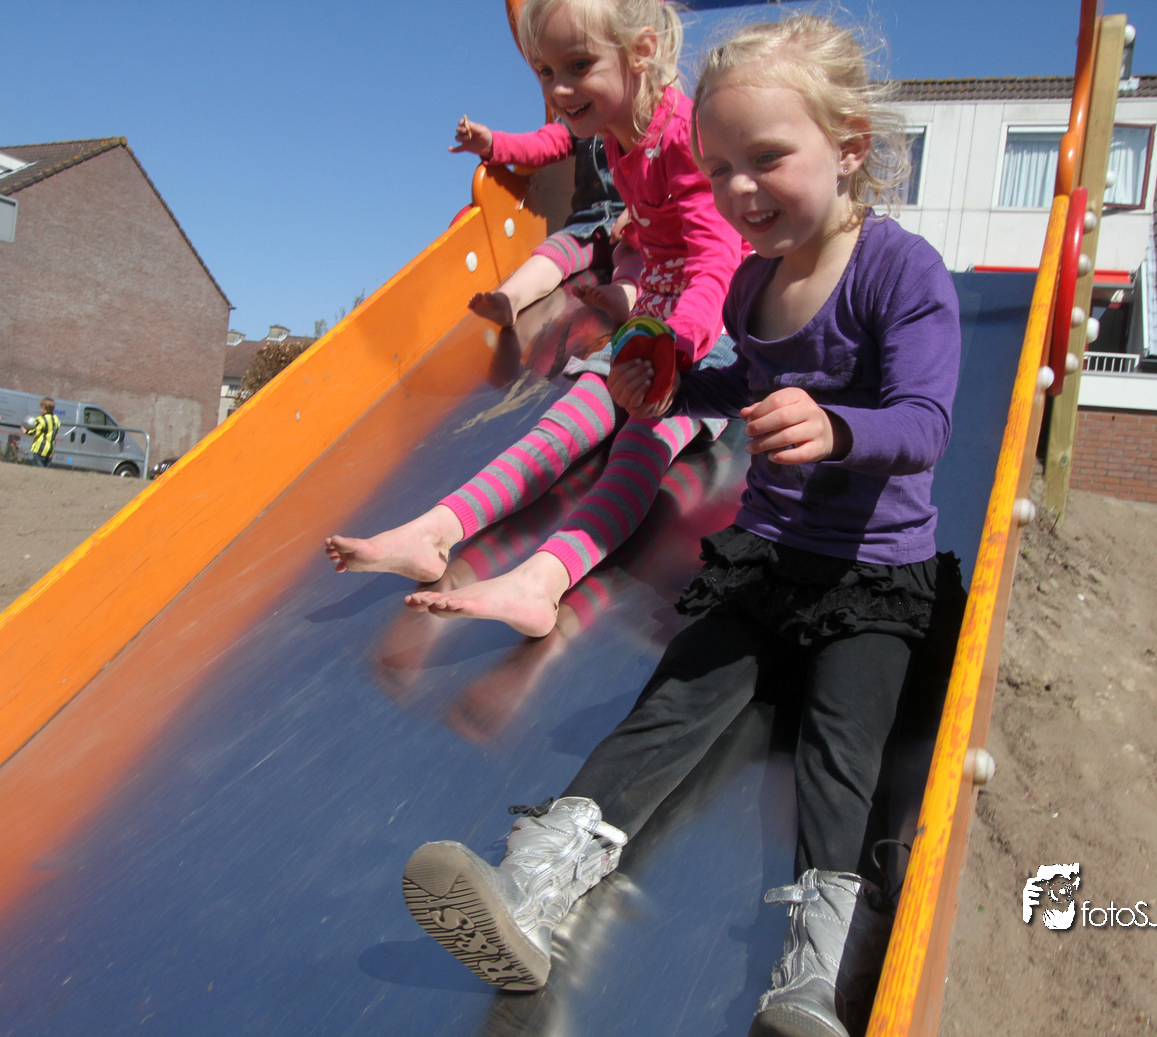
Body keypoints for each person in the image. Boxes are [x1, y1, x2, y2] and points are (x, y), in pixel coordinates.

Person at [398, 15, 964, 1037]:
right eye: (719, 167)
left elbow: (924, 425)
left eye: (766, 159)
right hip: (765, 560)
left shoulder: (899, 271)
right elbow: (733, 385)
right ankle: (533, 888)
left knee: (842, 756)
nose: (740, 189)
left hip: (872, 575)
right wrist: (663, 388)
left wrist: (838, 427)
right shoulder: (750, 283)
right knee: (669, 706)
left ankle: (815, 974)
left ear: (848, 148)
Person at [325, 0, 746, 638]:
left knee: (637, 449)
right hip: (653, 322)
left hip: (707, 337)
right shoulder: (616, 133)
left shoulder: (684, 137)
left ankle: (540, 583)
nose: (558, 89)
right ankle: (434, 531)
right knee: (560, 429)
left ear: (641, 52)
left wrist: (675, 352)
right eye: (546, 72)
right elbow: (641, 210)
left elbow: (716, 262)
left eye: (578, 66)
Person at [452, 114, 641, 328]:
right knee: (551, 252)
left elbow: (665, 169)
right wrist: (493, 144)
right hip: (586, 226)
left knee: (639, 254)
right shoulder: (580, 119)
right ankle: (510, 298)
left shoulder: (644, 116)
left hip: (633, 223)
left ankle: (624, 295)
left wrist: (638, 209)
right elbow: (542, 144)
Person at [24, 396, 60, 467]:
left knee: (38, 469)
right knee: (46, 470)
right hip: (50, 449)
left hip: (40, 449)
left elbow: (35, 433)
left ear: (43, 407)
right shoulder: (56, 419)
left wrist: (25, 430)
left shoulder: (41, 419)